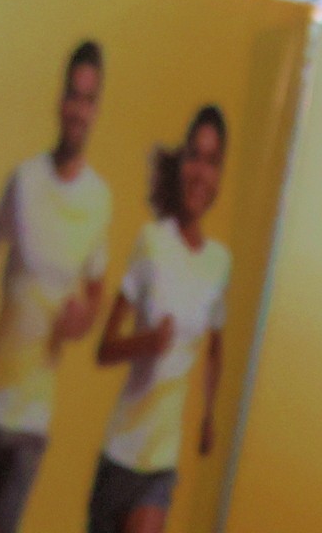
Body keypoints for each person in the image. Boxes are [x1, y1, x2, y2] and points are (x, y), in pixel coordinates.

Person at [0, 41, 112, 533]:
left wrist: (82, 320)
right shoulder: (25, 180)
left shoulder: (99, 200)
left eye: (89, 100)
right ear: (60, 102)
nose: (79, 109)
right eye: (73, 96)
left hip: (33, 419)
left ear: (96, 110)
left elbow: (96, 294)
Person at [89, 106, 232, 533]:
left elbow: (215, 348)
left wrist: (209, 416)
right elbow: (104, 349)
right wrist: (146, 342)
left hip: (160, 465)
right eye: (194, 156)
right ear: (181, 164)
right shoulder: (151, 242)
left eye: (212, 161)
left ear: (219, 175)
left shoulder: (219, 263)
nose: (201, 172)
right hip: (119, 454)